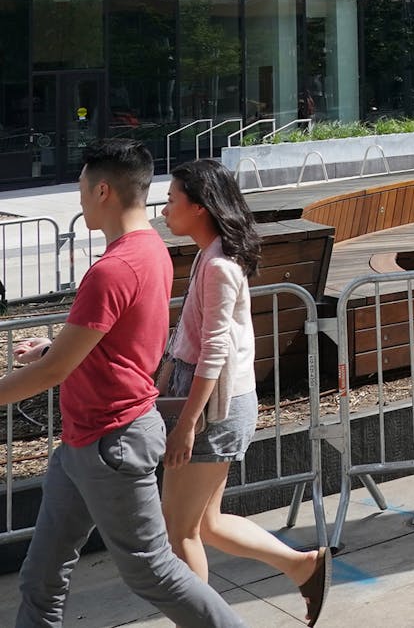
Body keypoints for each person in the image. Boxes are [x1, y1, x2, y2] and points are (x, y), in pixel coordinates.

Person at [1, 139, 246, 628]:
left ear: (104, 191)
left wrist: (48, 361)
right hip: (85, 442)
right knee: (42, 574)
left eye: (82, 189)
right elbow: (113, 344)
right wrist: (52, 348)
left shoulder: (112, 269)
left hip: (112, 443)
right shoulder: (151, 250)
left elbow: (55, 373)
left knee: (152, 570)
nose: (79, 199)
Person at [160, 159, 331, 626]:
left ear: (198, 207)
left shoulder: (216, 264)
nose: (165, 209)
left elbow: (214, 350)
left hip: (213, 409)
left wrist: (187, 426)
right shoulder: (210, 255)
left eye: (172, 200)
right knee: (205, 525)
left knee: (181, 533)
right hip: (217, 405)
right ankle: (303, 565)